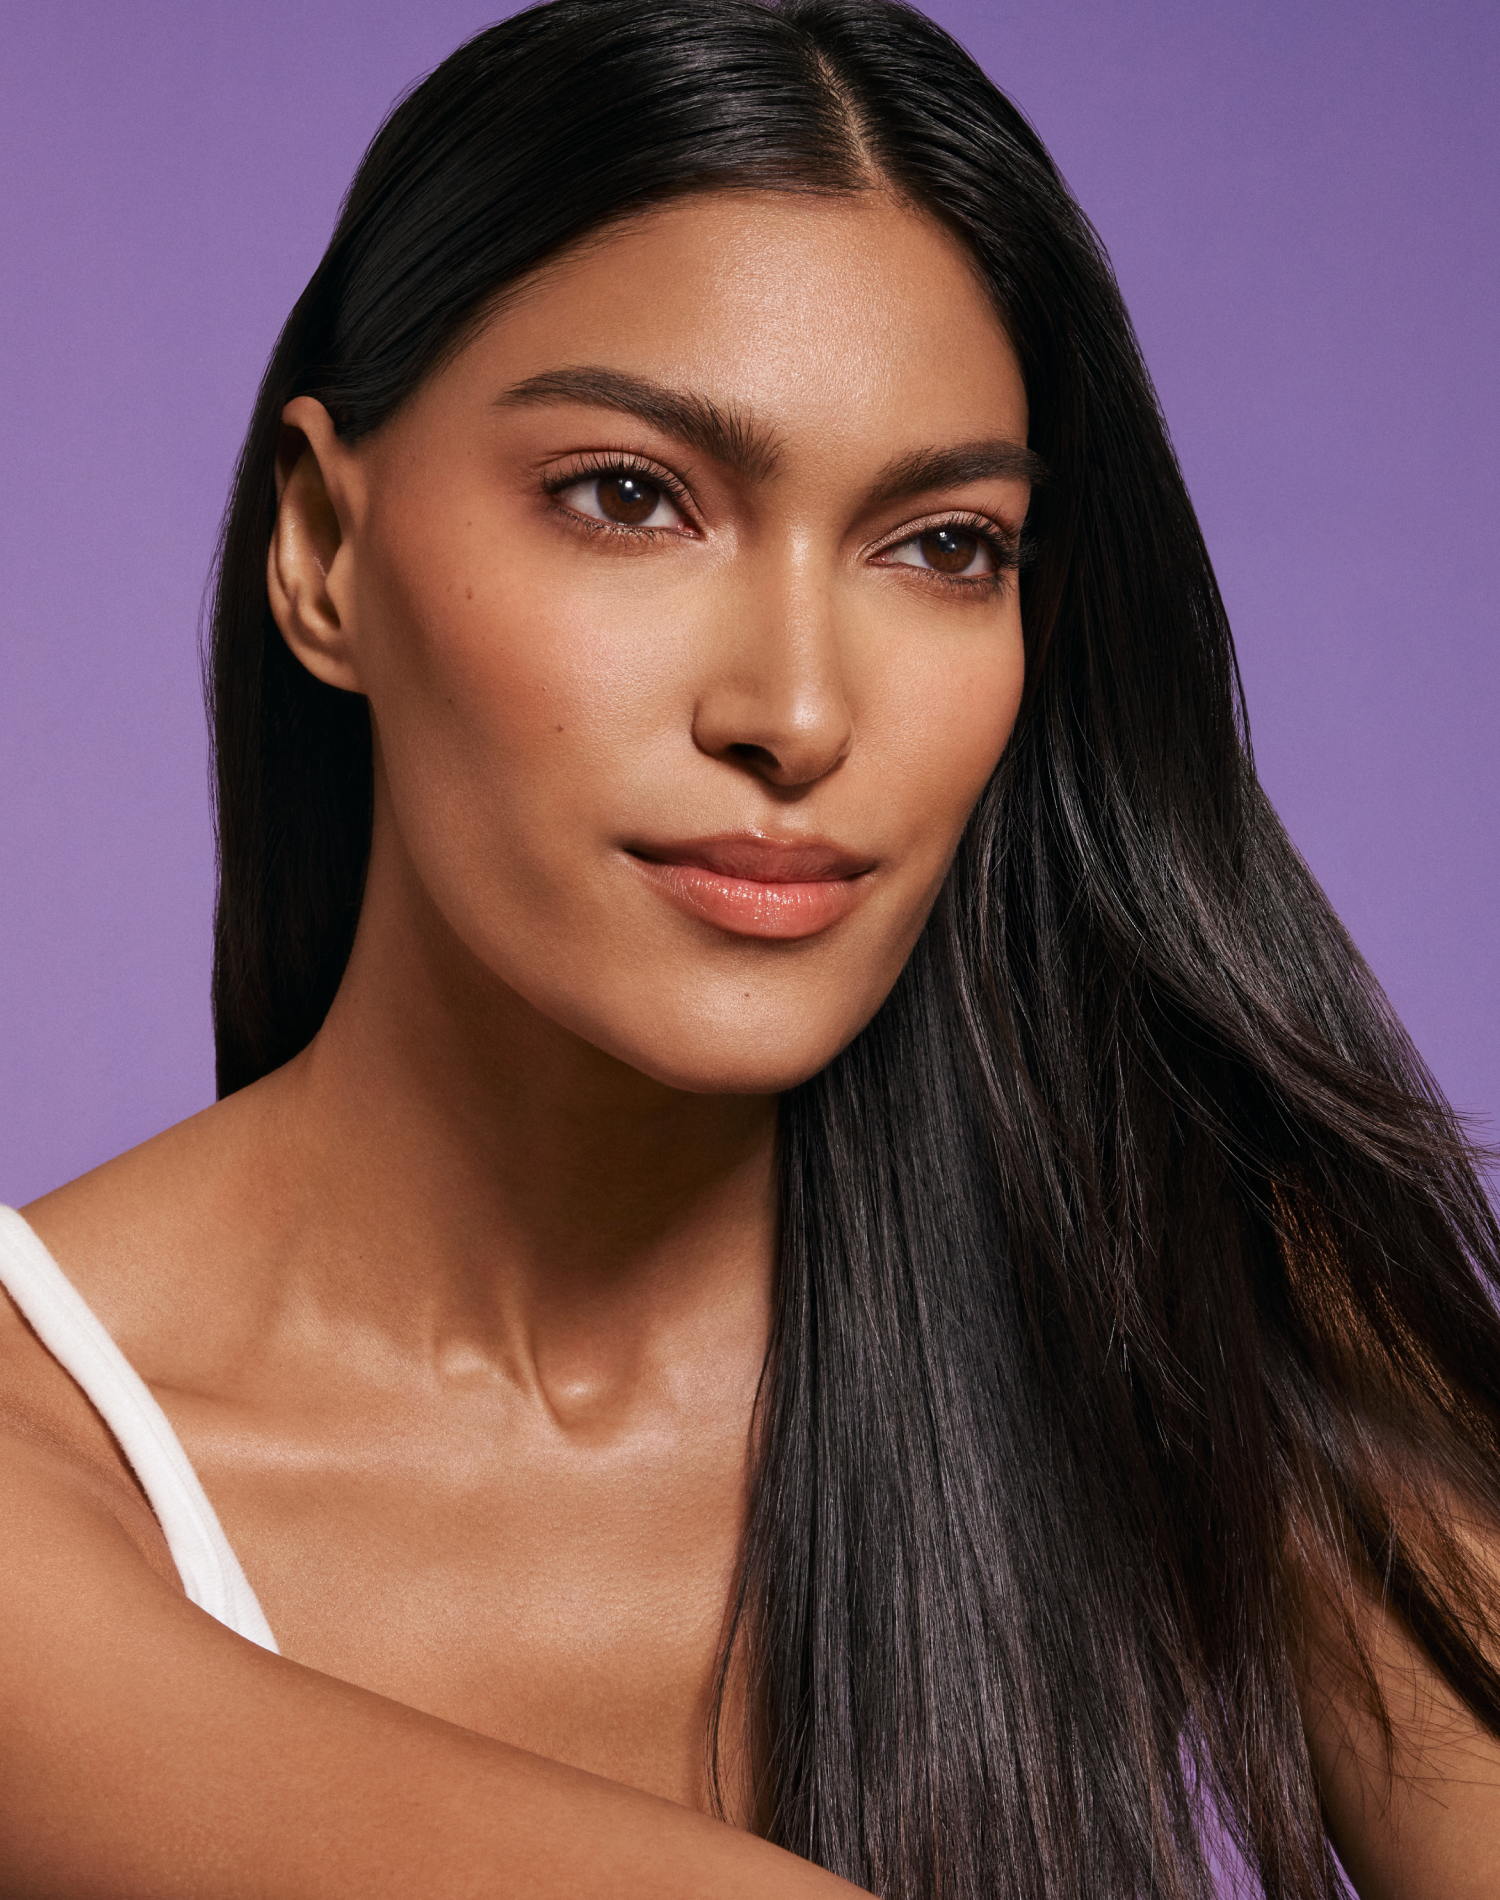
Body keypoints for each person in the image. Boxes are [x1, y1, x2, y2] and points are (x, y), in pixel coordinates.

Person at [2, 1, 1497, 1894]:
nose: (796, 711)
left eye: (943, 544)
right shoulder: (38, 1463)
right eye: (633, 497)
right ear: (321, 550)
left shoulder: (1190, 1298)